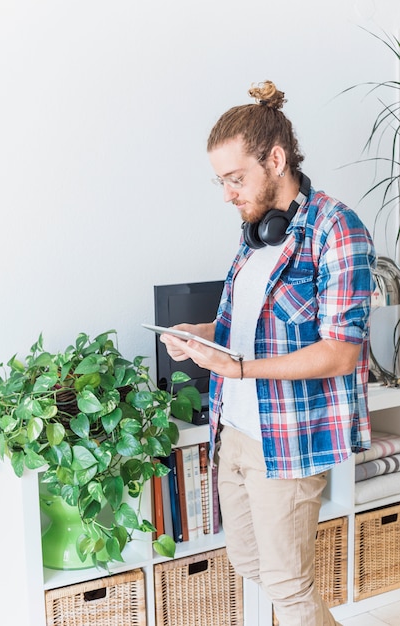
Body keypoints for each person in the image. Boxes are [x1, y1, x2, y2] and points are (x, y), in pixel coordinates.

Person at [160, 80, 376, 626]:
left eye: (236, 178)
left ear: (275, 159)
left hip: (287, 440)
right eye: (222, 181)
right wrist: (202, 333)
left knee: (288, 585)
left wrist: (237, 368)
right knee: (248, 560)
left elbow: (340, 353)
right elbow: (248, 324)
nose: (228, 193)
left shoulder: (337, 229)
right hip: (233, 428)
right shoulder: (256, 233)